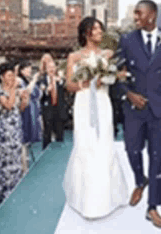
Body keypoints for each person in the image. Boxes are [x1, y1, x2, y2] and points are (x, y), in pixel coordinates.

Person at [115, 0, 161, 228]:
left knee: (158, 159)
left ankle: (153, 207)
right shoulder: (127, 39)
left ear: (152, 15)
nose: (135, 17)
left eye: (139, 13)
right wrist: (128, 94)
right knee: (131, 149)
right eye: (134, 13)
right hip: (135, 108)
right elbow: (114, 73)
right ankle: (139, 179)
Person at [63, 17, 129, 219]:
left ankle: (106, 199)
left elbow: (114, 76)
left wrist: (111, 77)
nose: (100, 32)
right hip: (83, 104)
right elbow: (68, 86)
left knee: (104, 145)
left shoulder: (108, 54)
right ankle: (86, 200)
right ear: (86, 33)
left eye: (101, 29)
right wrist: (88, 83)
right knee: (85, 145)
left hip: (102, 103)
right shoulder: (73, 57)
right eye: (96, 29)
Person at [0, 62, 25, 205]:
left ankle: (14, 187)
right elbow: (9, 106)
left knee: (15, 157)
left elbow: (19, 108)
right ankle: (4, 191)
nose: (12, 78)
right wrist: (13, 89)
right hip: (5, 130)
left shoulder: (13, 90)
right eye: (9, 75)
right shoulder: (0, 92)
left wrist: (24, 99)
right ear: (1, 77)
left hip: (15, 128)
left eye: (13, 75)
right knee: (5, 159)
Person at [39, 56, 66, 149]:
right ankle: (45, 152)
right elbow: (40, 96)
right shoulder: (42, 80)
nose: (51, 69)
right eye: (49, 67)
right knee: (47, 133)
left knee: (60, 133)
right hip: (48, 110)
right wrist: (47, 90)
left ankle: (59, 153)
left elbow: (65, 92)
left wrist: (61, 81)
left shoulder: (60, 79)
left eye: (53, 67)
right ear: (46, 69)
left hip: (59, 109)